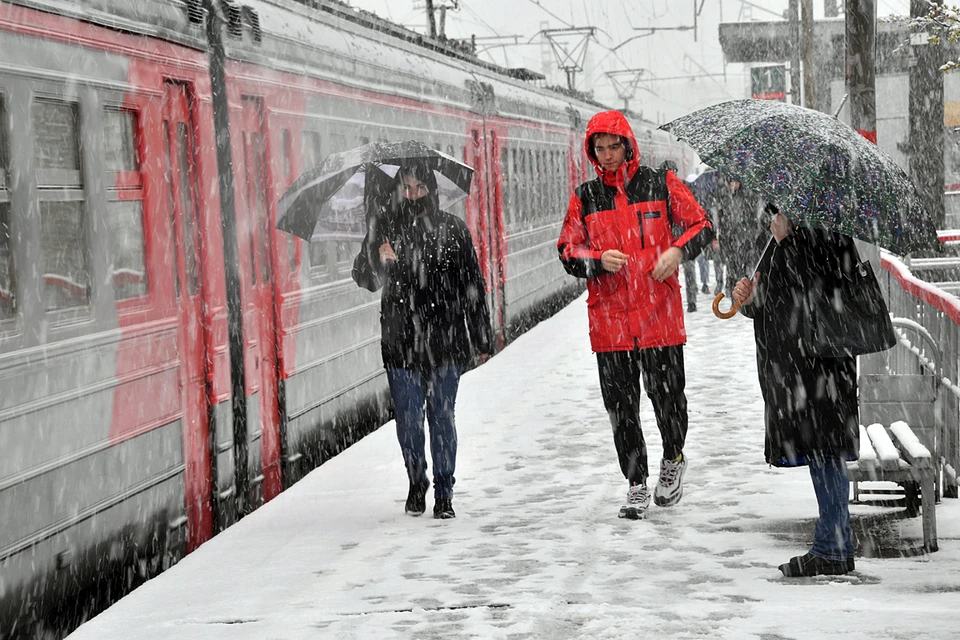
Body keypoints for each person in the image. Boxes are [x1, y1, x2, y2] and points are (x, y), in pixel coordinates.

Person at [558, 111, 714, 519]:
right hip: (610, 323)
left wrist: (678, 250)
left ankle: (673, 458)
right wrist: (594, 259)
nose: (608, 155)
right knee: (621, 408)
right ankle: (635, 483)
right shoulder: (584, 197)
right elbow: (567, 250)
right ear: (592, 152)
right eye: (600, 148)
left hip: (658, 317)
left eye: (614, 147)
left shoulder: (660, 184)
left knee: (668, 400)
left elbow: (702, 225)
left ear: (628, 145)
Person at [732, 204, 894, 577]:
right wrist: (750, 296)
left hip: (822, 365)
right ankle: (832, 542)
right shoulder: (788, 229)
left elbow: (821, 292)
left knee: (827, 451)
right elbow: (778, 299)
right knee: (823, 452)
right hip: (800, 365)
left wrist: (788, 242)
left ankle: (833, 547)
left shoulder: (827, 228)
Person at [353, 160, 493, 520]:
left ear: (432, 189)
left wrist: (481, 337)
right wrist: (377, 259)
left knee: (442, 417)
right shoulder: (384, 229)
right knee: (408, 419)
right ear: (398, 189)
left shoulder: (454, 229)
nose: (413, 194)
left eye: (420, 187)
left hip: (445, 340)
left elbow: (472, 286)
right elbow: (364, 278)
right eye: (407, 187)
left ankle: (444, 492)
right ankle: (417, 480)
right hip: (400, 341)